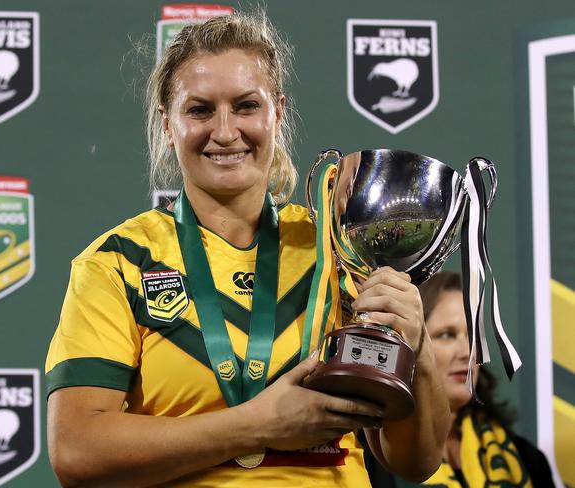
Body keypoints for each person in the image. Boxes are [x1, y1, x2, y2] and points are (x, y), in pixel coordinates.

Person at [45, 11, 450, 487]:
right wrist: (257, 424)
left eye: (245, 106)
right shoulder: (119, 261)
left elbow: (415, 462)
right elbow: (75, 450)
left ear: (277, 111)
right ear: (168, 125)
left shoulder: (337, 248)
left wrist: (416, 348)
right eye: (199, 110)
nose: (224, 131)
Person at [363, 272, 557, 487]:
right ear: (412, 343)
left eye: (473, 336)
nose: (467, 352)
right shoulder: (366, 455)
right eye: (447, 334)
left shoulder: (528, 460)